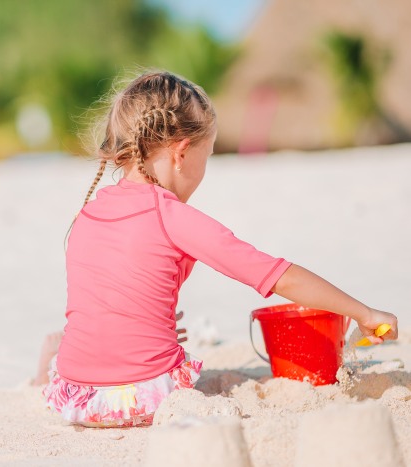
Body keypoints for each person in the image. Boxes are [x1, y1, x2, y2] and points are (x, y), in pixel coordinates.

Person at [35, 70, 398, 428]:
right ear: (181, 153)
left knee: (69, 348)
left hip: (77, 397)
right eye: (205, 158)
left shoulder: (88, 212)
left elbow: (108, 296)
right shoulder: (171, 215)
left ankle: (47, 369)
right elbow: (276, 275)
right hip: (148, 395)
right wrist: (364, 312)